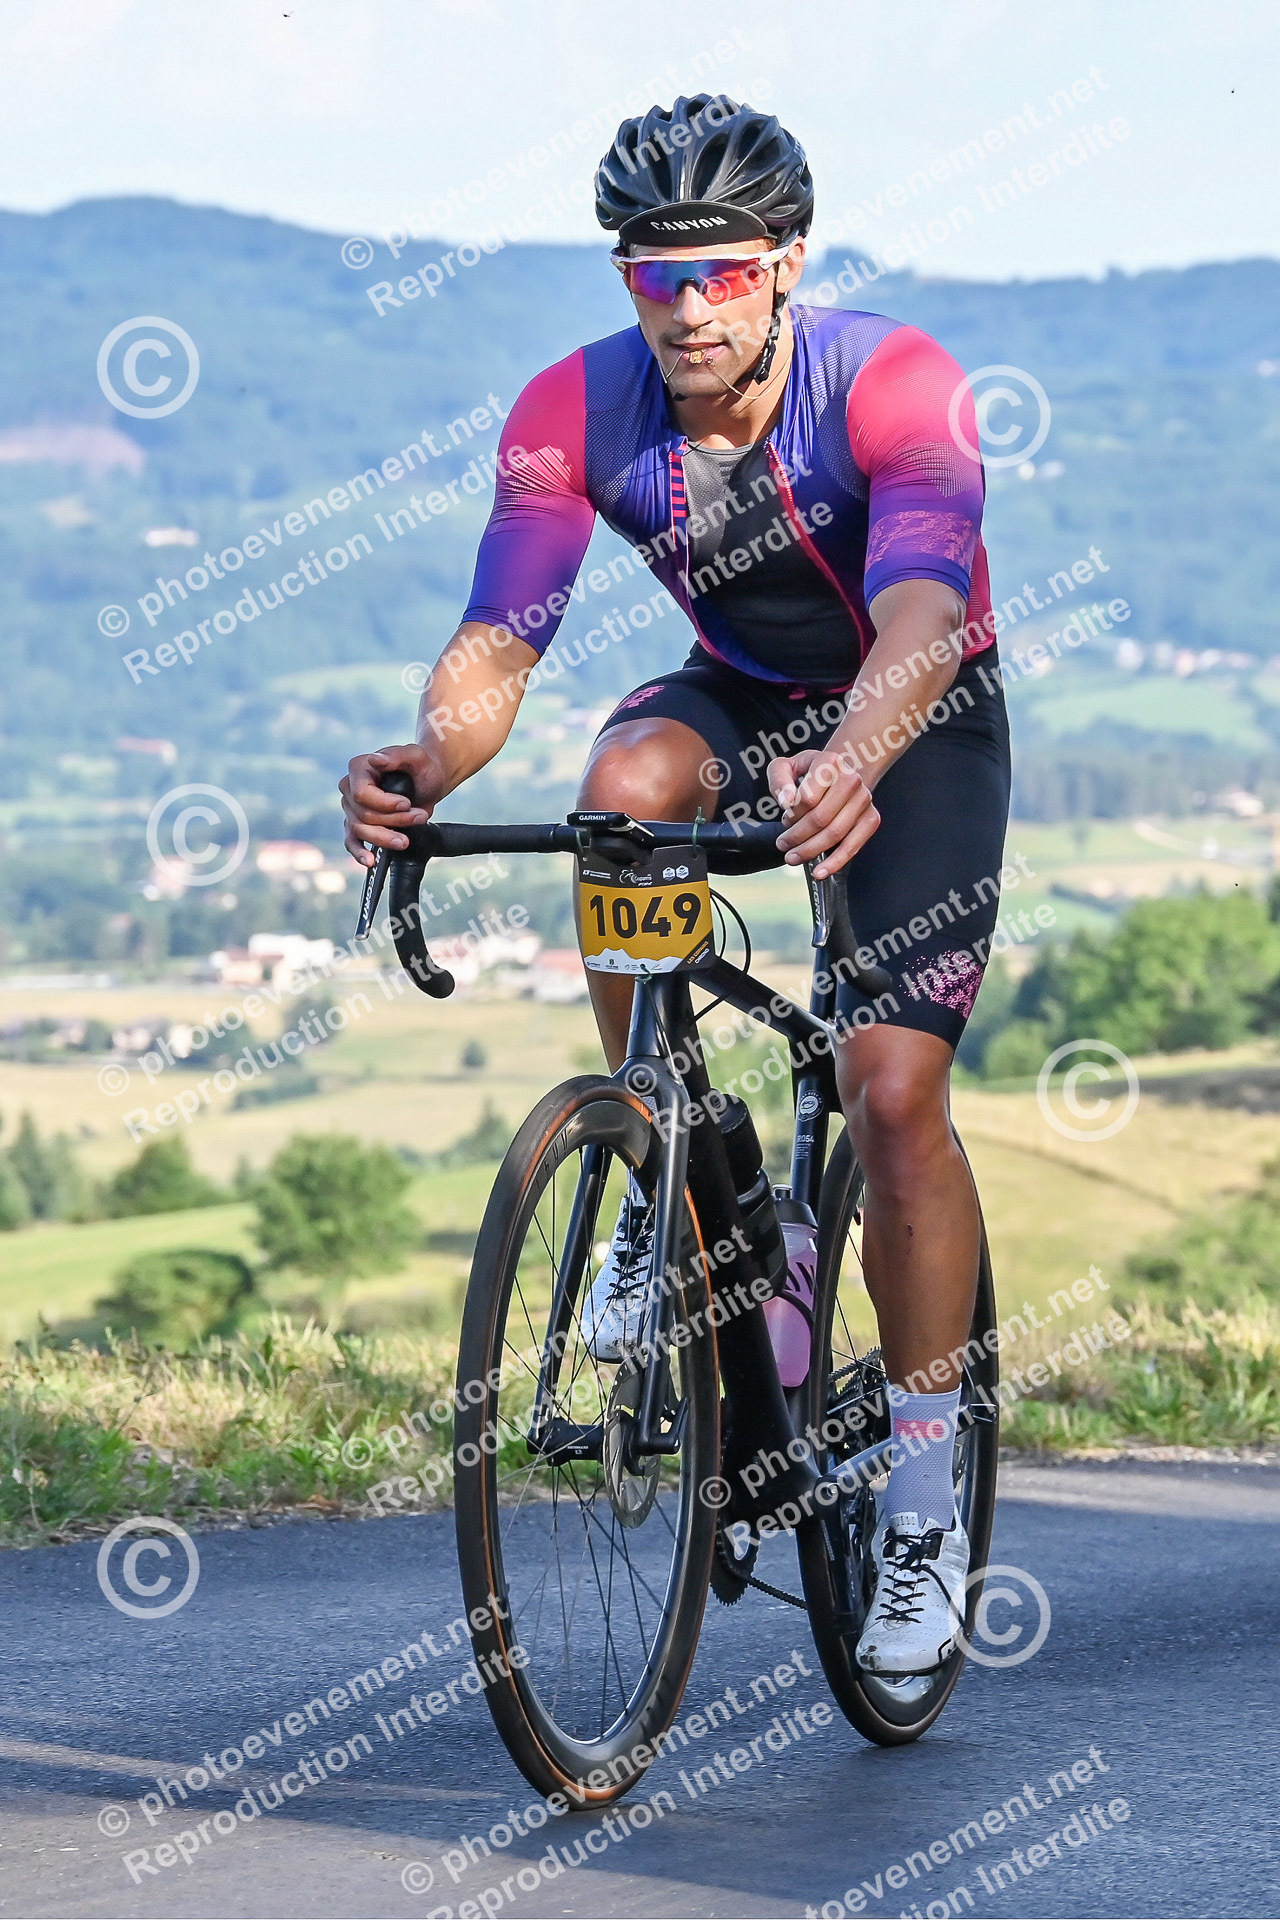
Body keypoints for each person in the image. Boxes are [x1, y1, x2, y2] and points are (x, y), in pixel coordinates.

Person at [340, 94, 1011, 1677]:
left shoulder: (895, 381)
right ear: (624, 278)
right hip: (741, 698)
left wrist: (856, 753)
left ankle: (923, 1512)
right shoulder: (573, 409)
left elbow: (924, 607)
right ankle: (669, 1166)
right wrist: (432, 762)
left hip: (918, 713)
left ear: (788, 265)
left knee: (891, 1093)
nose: (690, 306)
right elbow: (502, 637)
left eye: (723, 272)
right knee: (622, 795)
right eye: (656, 274)